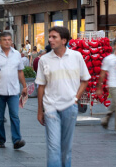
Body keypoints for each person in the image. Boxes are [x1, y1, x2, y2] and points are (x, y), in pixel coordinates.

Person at [36, 26, 90, 167]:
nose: (50, 40)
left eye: (54, 37)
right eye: (50, 37)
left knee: (66, 148)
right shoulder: (44, 60)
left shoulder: (76, 56)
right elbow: (40, 86)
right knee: (53, 147)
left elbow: (85, 79)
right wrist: (40, 110)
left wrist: (76, 99)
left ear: (64, 40)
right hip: (50, 107)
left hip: (70, 106)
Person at [0, 32, 27, 149]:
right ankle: (0, 140)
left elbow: (20, 71)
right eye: (4, 40)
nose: (7, 42)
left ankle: (17, 140)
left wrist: (24, 86)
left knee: (15, 116)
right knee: (0, 117)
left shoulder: (17, 54)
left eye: (9, 40)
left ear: (11, 41)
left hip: (13, 90)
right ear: (0, 42)